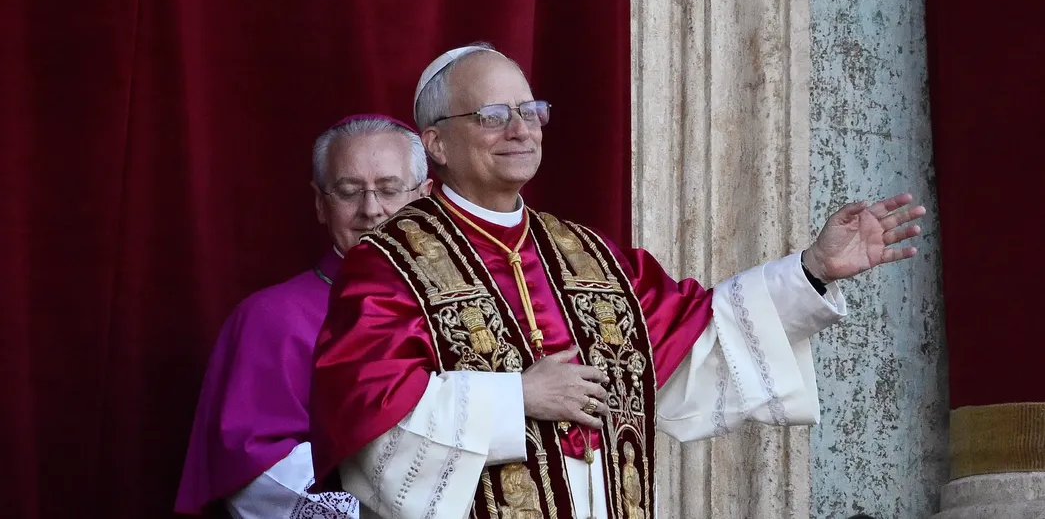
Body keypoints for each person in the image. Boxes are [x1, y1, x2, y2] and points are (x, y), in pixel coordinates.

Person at [308, 45, 926, 519]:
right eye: (493, 116)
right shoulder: (389, 263)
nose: (521, 130)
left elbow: (696, 343)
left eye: (531, 111)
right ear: (436, 142)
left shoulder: (589, 255)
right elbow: (372, 428)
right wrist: (514, 399)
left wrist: (812, 269)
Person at [174, 115, 433, 518]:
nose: (371, 210)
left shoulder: (464, 306)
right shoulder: (270, 318)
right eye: (349, 192)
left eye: (389, 189)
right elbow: (258, 473)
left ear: (423, 198)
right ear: (319, 204)